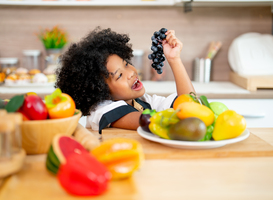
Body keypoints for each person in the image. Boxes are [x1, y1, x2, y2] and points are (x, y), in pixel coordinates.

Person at [56, 27, 195, 133]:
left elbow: (191, 104)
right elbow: (150, 122)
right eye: (119, 75)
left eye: (127, 64)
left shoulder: (143, 102)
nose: (130, 73)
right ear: (102, 91)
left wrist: (174, 59)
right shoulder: (101, 111)